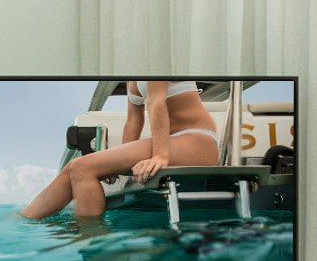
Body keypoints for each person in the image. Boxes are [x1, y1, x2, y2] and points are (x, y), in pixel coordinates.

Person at [22, 79, 228, 225]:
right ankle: (25, 219)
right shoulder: (132, 79)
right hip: (175, 142)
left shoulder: (156, 60)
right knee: (73, 168)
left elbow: (157, 103)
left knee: (83, 168)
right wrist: (116, 165)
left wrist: (160, 155)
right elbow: (133, 121)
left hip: (197, 141)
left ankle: (90, 237)